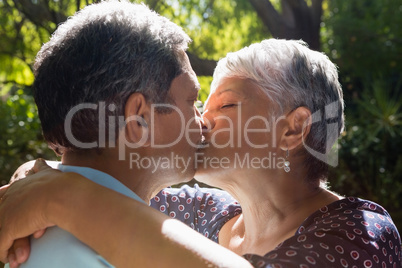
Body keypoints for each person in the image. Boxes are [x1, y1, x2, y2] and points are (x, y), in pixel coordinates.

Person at [1, 38, 401, 267]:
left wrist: (58, 195)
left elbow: (97, 199)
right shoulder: (204, 211)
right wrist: (38, 176)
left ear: (293, 128)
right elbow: (110, 178)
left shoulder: (361, 234)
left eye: (224, 105)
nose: (200, 120)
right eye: (198, 105)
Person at [0, 0, 251, 267]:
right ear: (138, 120)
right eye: (192, 101)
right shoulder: (94, 253)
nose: (204, 122)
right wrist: (62, 196)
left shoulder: (42, 227)